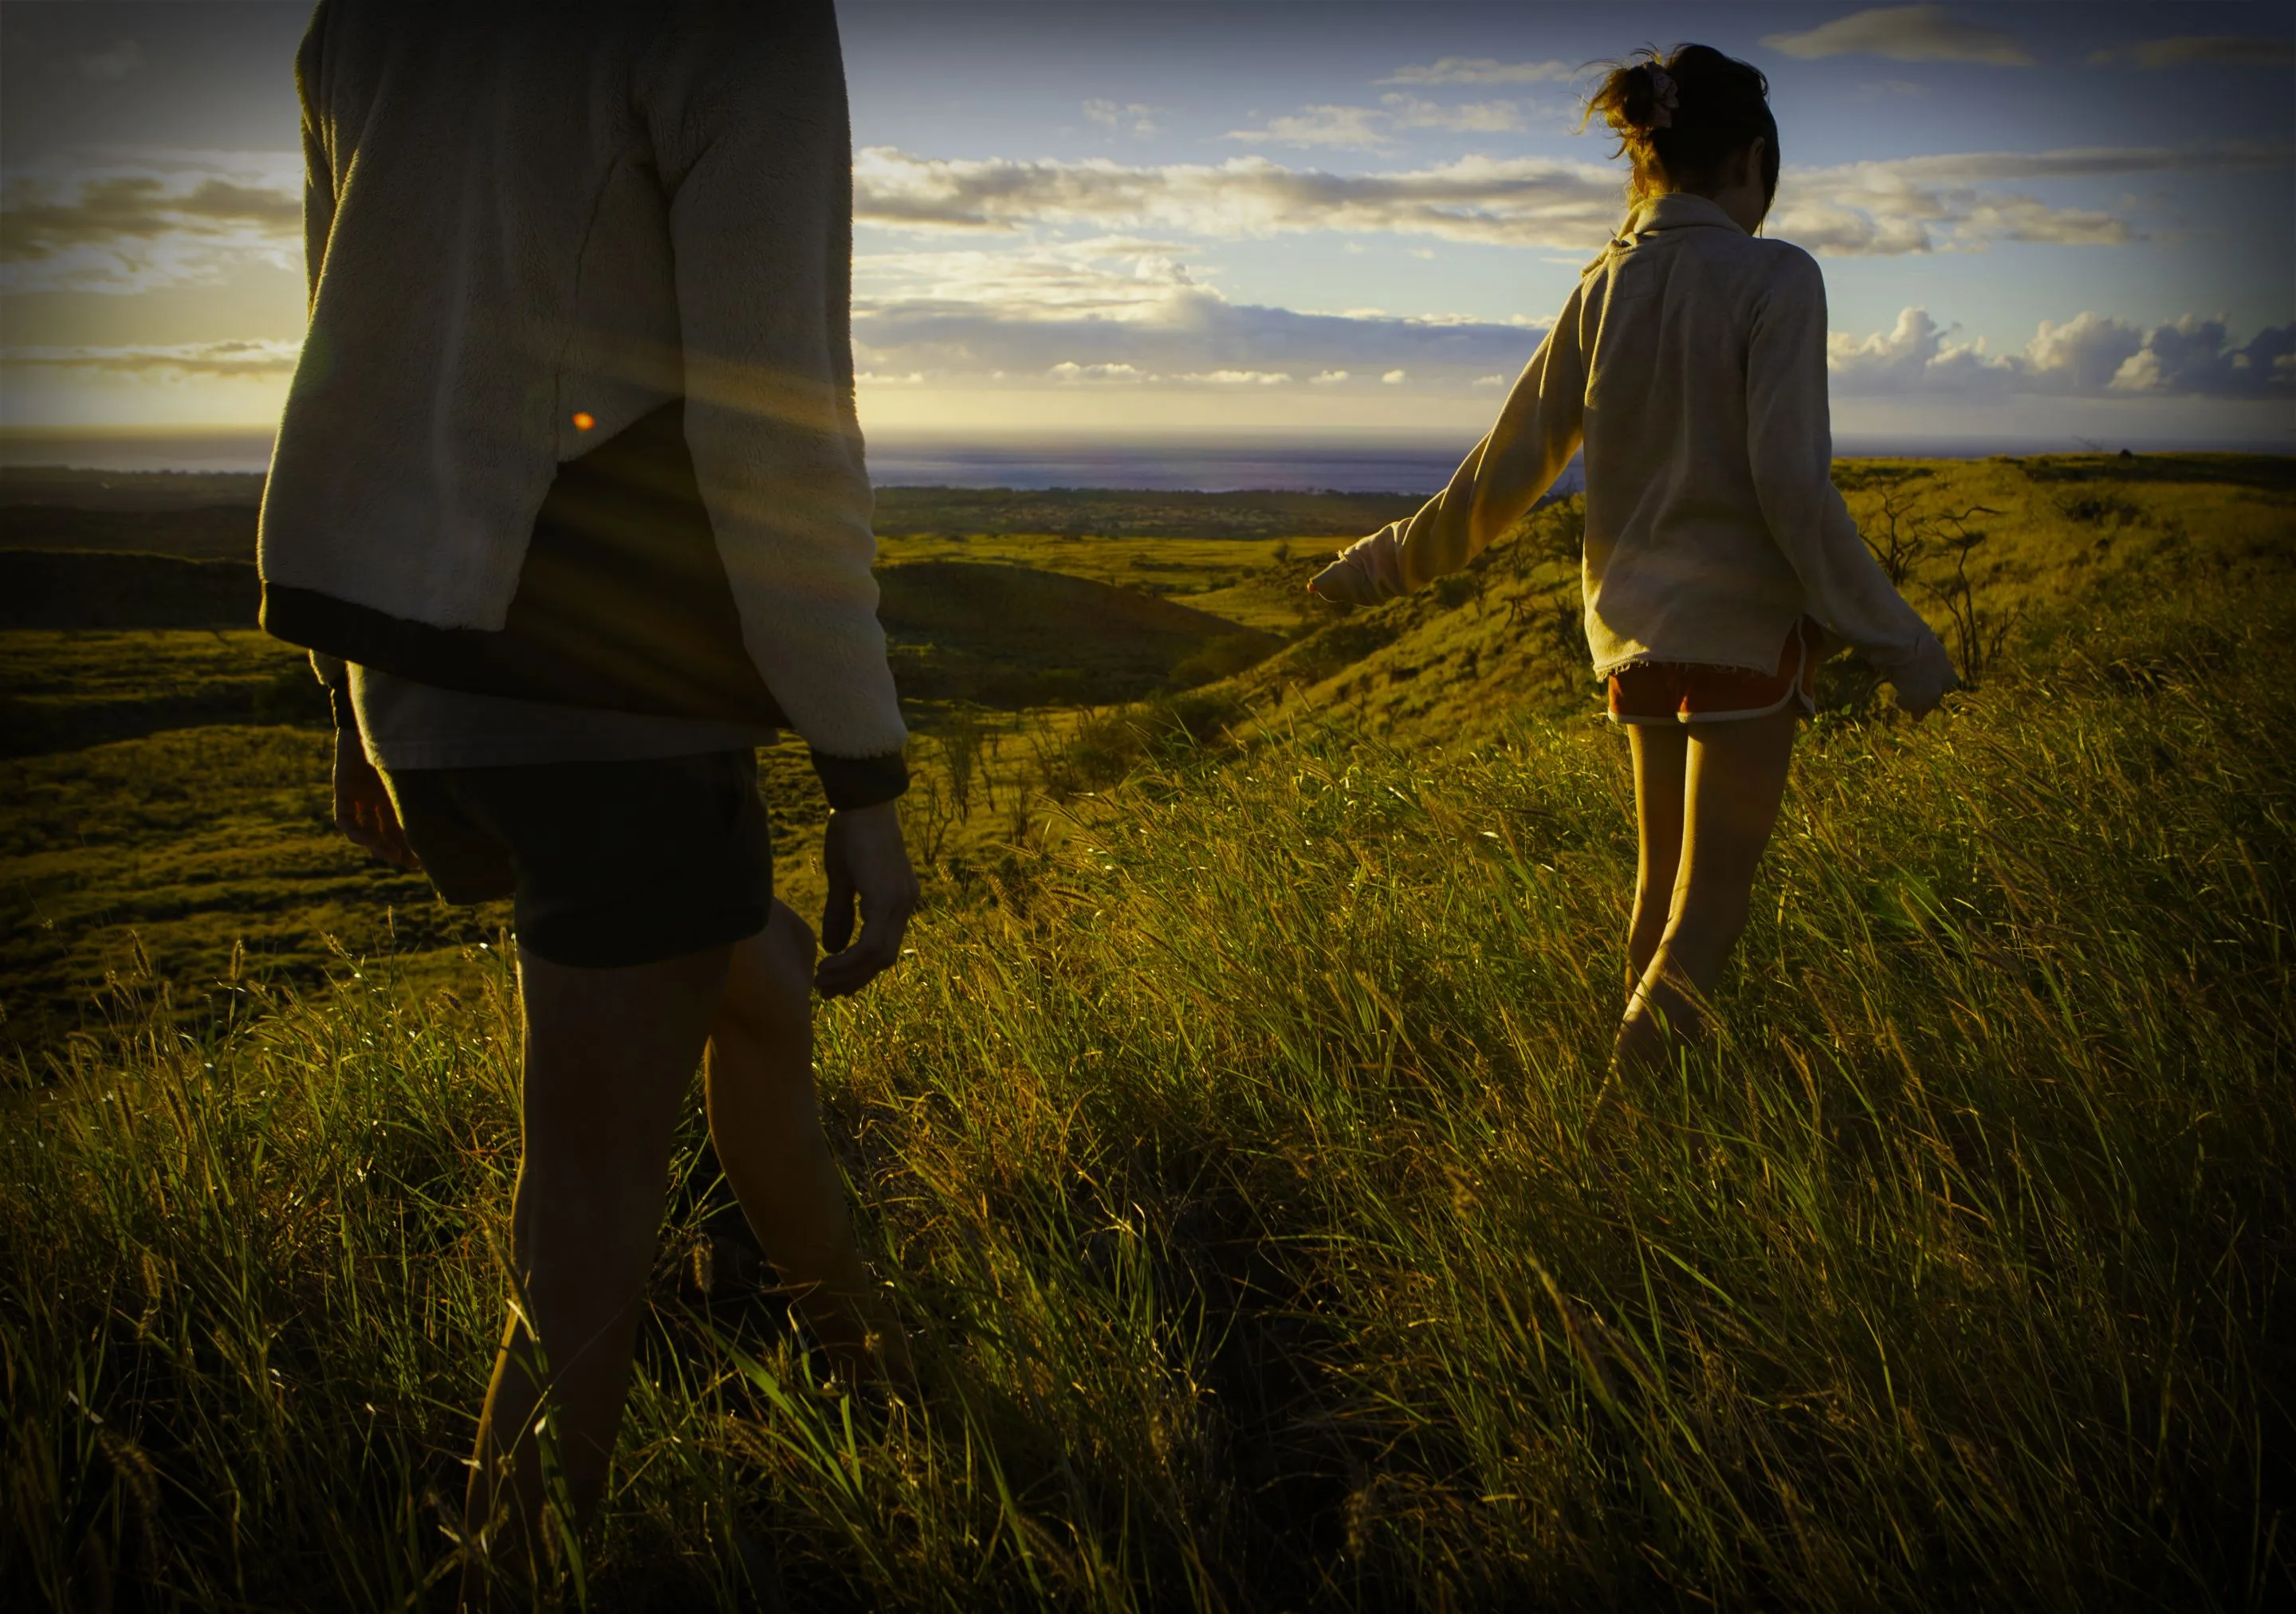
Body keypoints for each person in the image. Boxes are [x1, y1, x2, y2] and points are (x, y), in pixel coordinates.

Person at [256, 1, 917, 1594]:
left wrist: (349, 698)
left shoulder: (361, 19)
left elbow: (340, 346)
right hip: (609, 679)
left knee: (745, 974)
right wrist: (862, 770)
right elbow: (782, 416)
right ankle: (506, 1561)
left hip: (424, 670)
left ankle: (877, 1372)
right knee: (599, 1188)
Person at [1308, 44, 1955, 1082]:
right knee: (1706, 920)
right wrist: (1905, 648)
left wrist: (1382, 563)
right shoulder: (1776, 276)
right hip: (1743, 637)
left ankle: (1650, 1134)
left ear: (1644, 159)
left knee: (1660, 899)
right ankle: (1614, 1141)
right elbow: (1791, 487)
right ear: (1751, 159)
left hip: (1632, 642)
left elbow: (1504, 470)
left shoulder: (1605, 284)